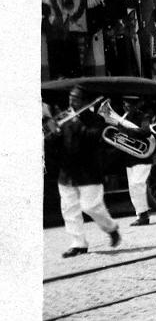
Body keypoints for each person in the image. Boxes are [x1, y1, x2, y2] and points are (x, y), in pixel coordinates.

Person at [47, 85, 121, 257]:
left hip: (88, 172)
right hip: (67, 172)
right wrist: (53, 134)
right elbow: (55, 146)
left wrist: (74, 124)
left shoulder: (96, 119)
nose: (72, 102)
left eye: (76, 99)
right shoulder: (63, 118)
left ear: (86, 102)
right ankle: (78, 243)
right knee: (69, 209)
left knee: (91, 207)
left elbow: (91, 139)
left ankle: (111, 228)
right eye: (70, 98)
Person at [119, 95, 155, 226]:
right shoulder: (123, 119)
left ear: (135, 105)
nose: (125, 107)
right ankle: (141, 215)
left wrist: (127, 131)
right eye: (124, 104)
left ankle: (144, 215)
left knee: (138, 184)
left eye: (128, 105)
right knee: (133, 188)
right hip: (130, 157)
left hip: (143, 157)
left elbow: (146, 131)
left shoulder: (143, 117)